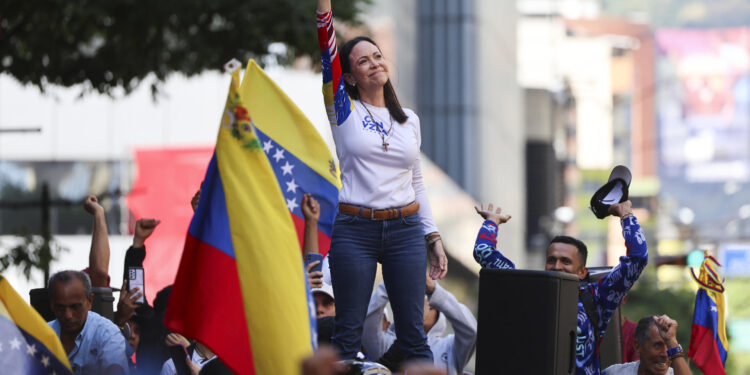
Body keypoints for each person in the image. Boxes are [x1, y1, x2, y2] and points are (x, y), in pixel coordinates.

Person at [316, 0, 448, 361]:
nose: (374, 63)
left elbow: (417, 181)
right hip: (355, 229)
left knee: (413, 337)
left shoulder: (409, 120)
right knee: (346, 337)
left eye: (377, 56)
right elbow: (328, 53)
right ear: (349, 76)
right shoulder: (343, 110)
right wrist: (324, 7)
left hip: (405, 230)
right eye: (363, 61)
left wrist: (432, 235)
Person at [473, 201, 648, 375]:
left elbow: (638, 258)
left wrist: (626, 214)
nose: (557, 266)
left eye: (565, 261)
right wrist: (492, 221)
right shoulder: (526, 291)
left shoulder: (597, 298)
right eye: (551, 260)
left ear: (582, 272)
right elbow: (483, 251)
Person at [362, 277, 477, 374]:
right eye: (413, 303)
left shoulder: (449, 346)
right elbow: (368, 322)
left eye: (428, 305)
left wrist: (435, 291)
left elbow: (471, 330)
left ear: (438, 313)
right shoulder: (387, 340)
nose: (419, 308)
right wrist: (393, 277)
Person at [48, 270, 130, 375]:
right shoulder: (41, 335)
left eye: (75, 307)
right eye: (60, 307)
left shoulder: (107, 334)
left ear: (90, 301)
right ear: (52, 304)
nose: (68, 315)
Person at [604, 315, 692, 375]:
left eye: (668, 347)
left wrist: (672, 342)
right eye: (657, 345)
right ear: (637, 346)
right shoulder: (615, 373)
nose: (665, 354)